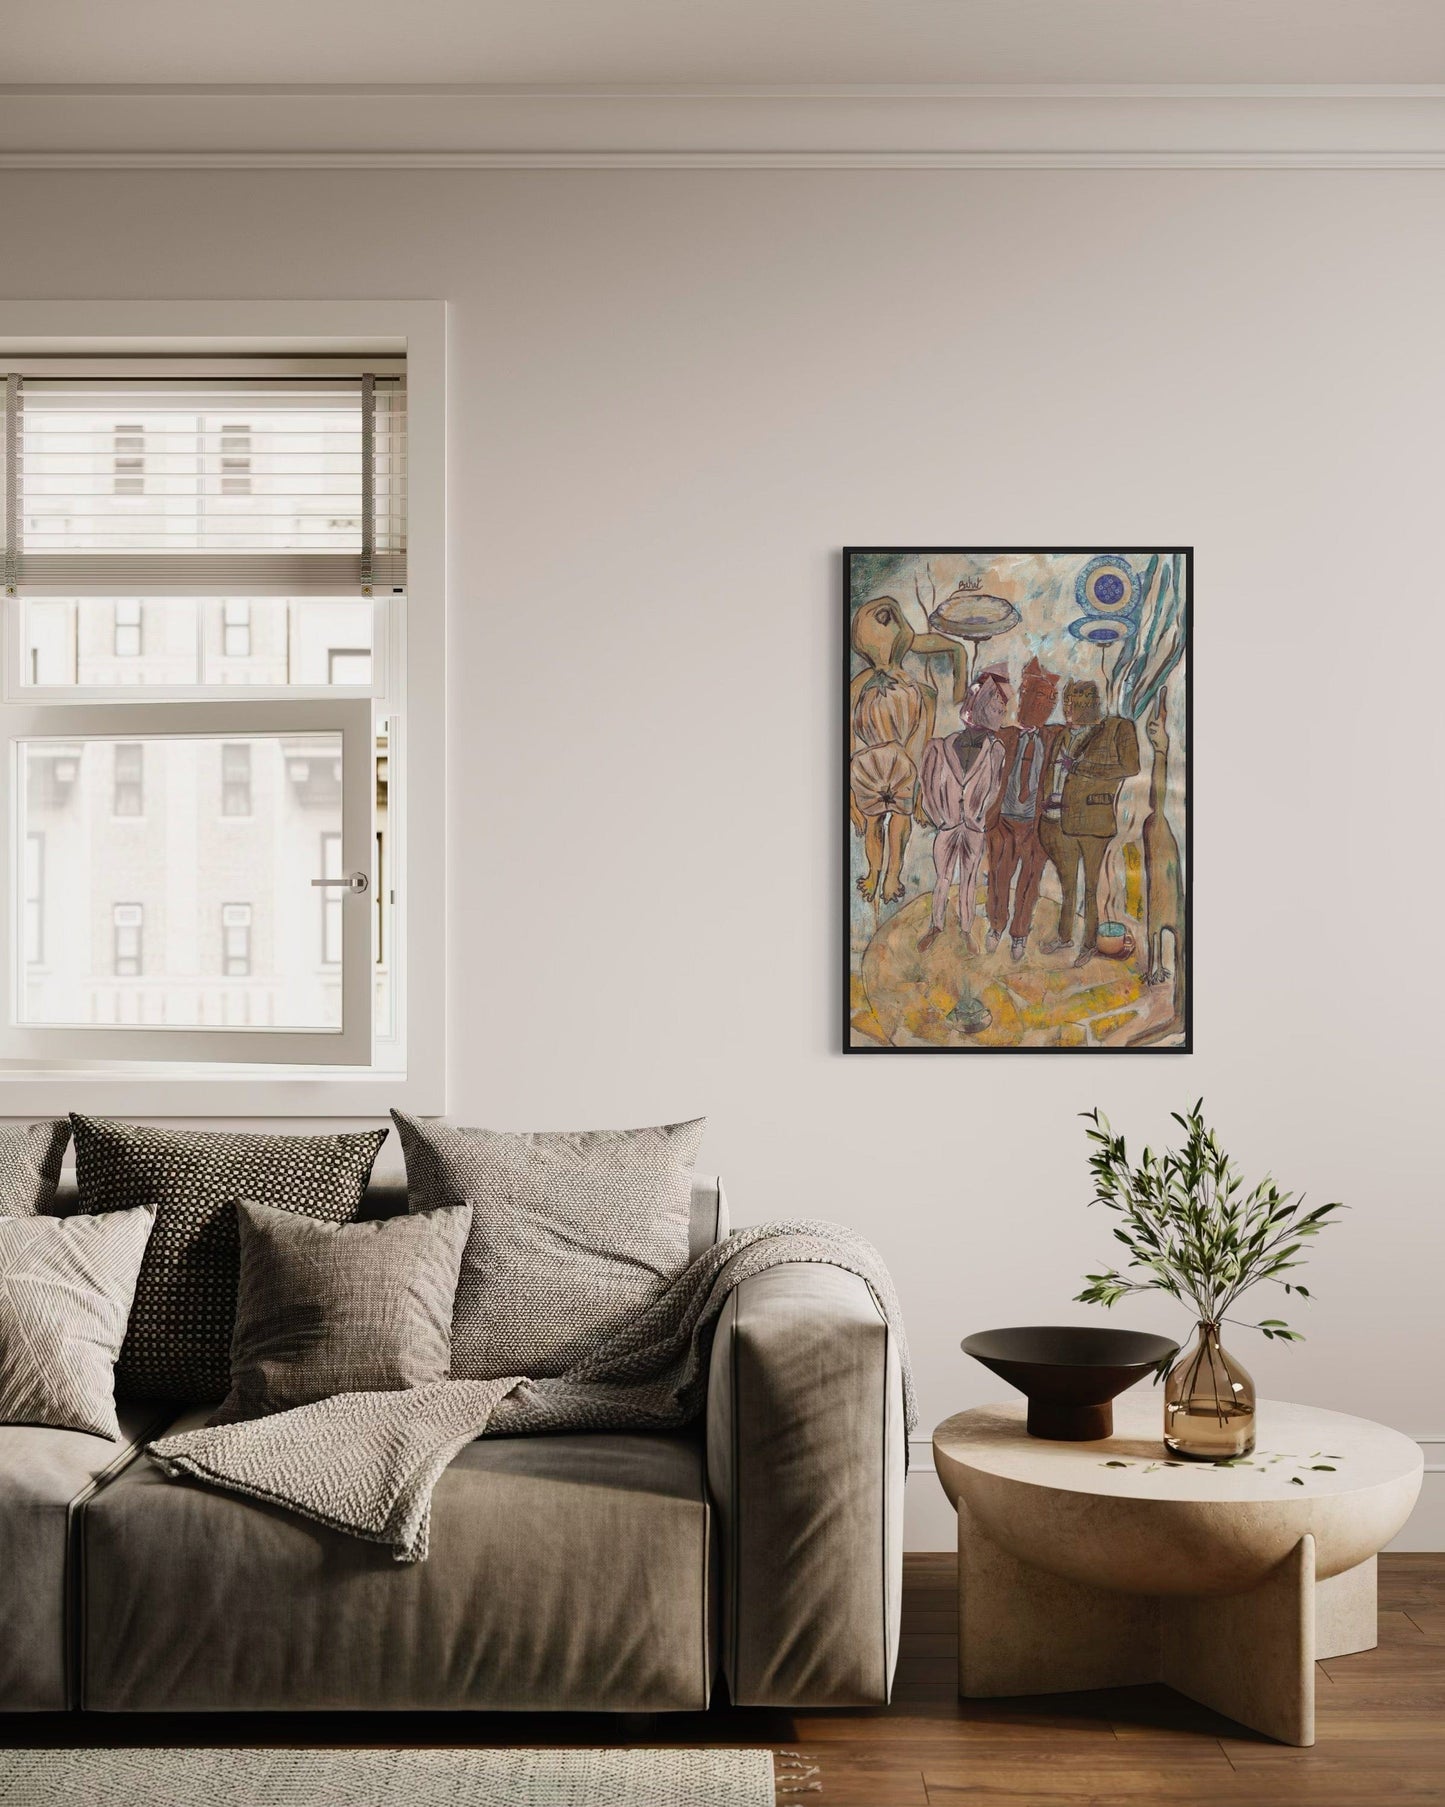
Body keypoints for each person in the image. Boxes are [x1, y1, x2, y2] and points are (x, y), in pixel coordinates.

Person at [1037, 679, 1141, 964]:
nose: (1068, 709)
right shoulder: (1062, 734)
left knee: (1093, 888)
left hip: (1094, 821)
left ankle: (1090, 944)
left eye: (1076, 704)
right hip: (1057, 820)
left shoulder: (1119, 729)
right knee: (1068, 885)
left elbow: (1130, 767)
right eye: (1067, 702)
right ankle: (1064, 937)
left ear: (1092, 705)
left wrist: (1082, 767)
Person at [916, 665, 1011, 955]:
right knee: (942, 876)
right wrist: (940, 818)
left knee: (969, 878)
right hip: (947, 824)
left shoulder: (996, 751)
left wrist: (980, 816)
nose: (1001, 715)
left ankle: (967, 929)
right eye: (997, 709)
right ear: (980, 706)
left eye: (1002, 710)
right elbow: (927, 784)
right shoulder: (938, 747)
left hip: (974, 827)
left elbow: (994, 788)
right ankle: (936, 925)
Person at [984, 657, 1061, 961]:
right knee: (999, 878)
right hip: (1003, 821)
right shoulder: (1004, 736)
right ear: (1024, 697)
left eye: (1051, 700)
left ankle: (1020, 934)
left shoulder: (1055, 737)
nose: (1046, 705)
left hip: (1035, 825)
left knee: (1030, 882)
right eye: (1040, 697)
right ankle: (995, 926)